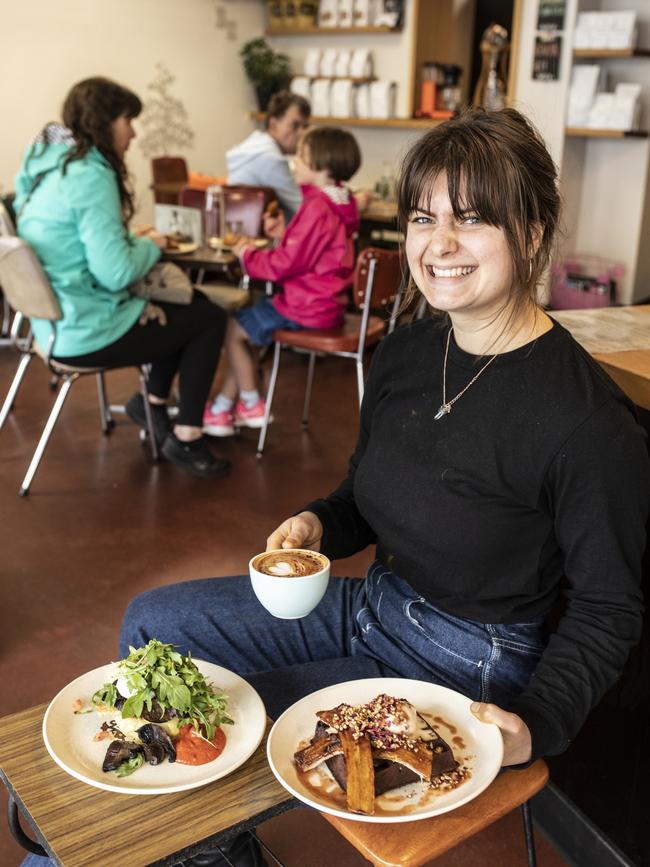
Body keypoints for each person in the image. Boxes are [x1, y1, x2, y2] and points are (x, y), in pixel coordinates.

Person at [122, 108, 649, 771]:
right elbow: (366, 493)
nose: (440, 243)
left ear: (533, 230)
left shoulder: (587, 422)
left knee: (217, 733)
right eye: (424, 218)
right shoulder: (406, 352)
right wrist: (321, 521)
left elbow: (608, 607)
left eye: (472, 217)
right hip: (372, 604)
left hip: (466, 665)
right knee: (151, 628)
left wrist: (537, 725)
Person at [14, 77, 230, 479]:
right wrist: (152, 246)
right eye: (128, 119)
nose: (133, 131)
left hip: (53, 328)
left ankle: (150, 403)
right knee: (208, 317)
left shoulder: (49, 168)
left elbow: (85, 244)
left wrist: (131, 242)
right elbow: (115, 274)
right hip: (88, 329)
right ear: (104, 122)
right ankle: (186, 435)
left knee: (181, 308)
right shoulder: (90, 176)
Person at [203, 126, 360, 436]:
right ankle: (221, 409)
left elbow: (282, 266)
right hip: (328, 303)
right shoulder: (343, 200)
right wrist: (283, 235)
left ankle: (250, 404)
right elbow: (314, 251)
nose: (294, 163)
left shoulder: (317, 207)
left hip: (306, 305)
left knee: (235, 330)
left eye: (300, 157)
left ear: (320, 164)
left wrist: (246, 254)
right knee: (249, 327)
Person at [226, 90, 310, 221]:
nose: (301, 133)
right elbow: (302, 208)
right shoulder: (269, 158)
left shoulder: (254, 146)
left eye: (305, 126)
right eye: (295, 125)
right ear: (273, 124)